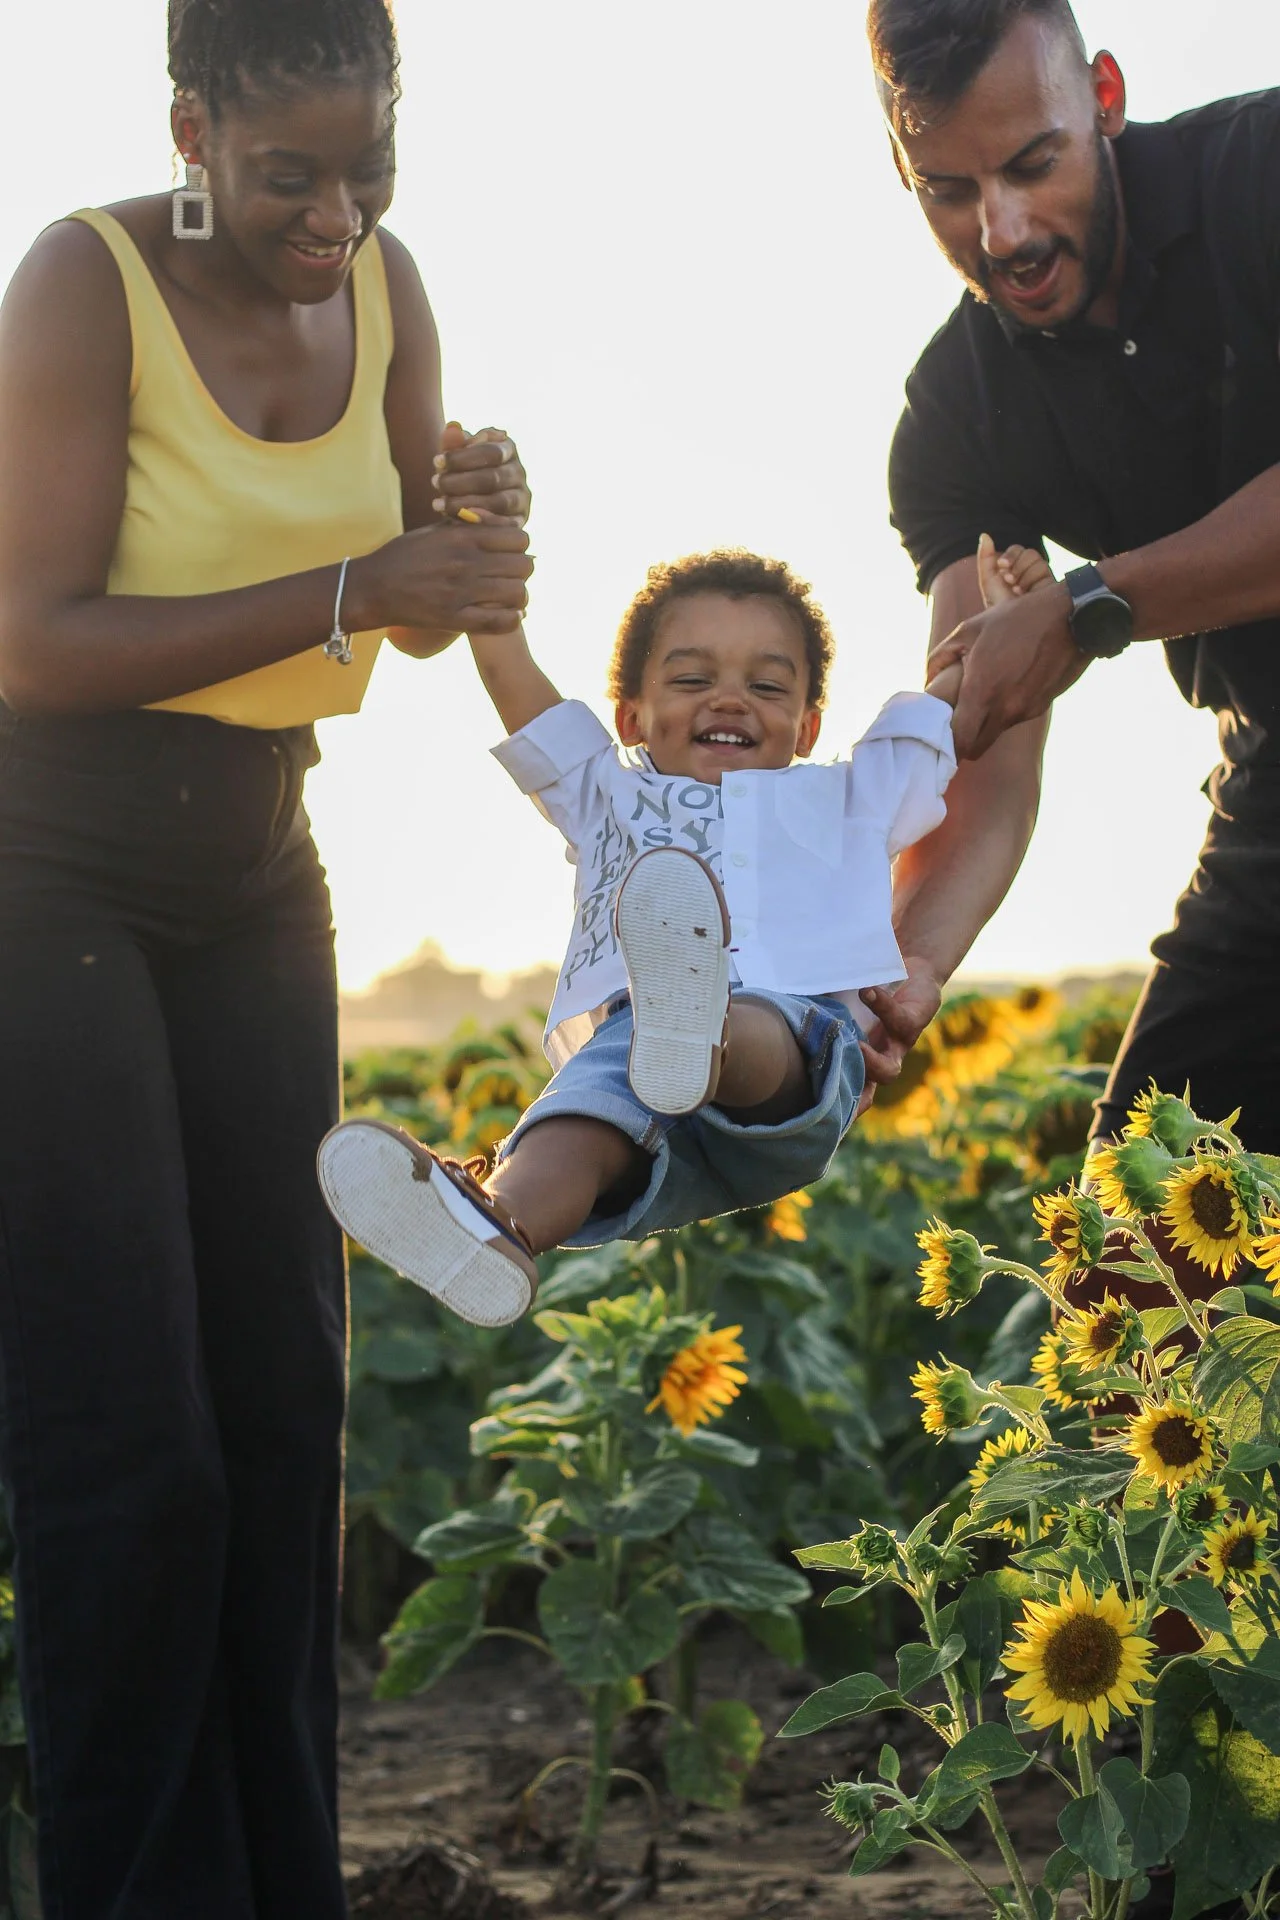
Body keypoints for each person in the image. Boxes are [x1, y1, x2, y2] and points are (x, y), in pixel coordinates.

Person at [0, 3, 534, 1915]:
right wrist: (346, 588)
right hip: (46, 876)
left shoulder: (392, 289)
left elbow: (404, 603)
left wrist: (471, 543)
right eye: (290, 175)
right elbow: (31, 640)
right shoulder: (82, 282)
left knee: (280, 1404)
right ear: (192, 130)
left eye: (368, 169)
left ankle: (280, 1885)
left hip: (259, 866)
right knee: (128, 1439)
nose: (336, 217)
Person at [315, 536, 1050, 1321]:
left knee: (755, 1018)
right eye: (693, 678)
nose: (729, 699)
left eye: (767, 685)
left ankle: (703, 1029)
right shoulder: (604, 797)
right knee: (575, 1122)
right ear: (632, 715)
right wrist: (487, 594)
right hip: (635, 1056)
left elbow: (939, 717)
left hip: (790, 1062)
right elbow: (522, 692)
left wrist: (1014, 625)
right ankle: (493, 1225)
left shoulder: (848, 797)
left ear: (807, 727)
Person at [858, 0, 1280, 1156]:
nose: (1000, 232)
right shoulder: (954, 420)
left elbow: (1062, 626)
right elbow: (981, 724)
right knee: (1135, 1258)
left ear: (1102, 95)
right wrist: (896, 971)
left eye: (1030, 166)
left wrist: (1088, 606)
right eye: (946, 190)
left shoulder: (1260, 171)